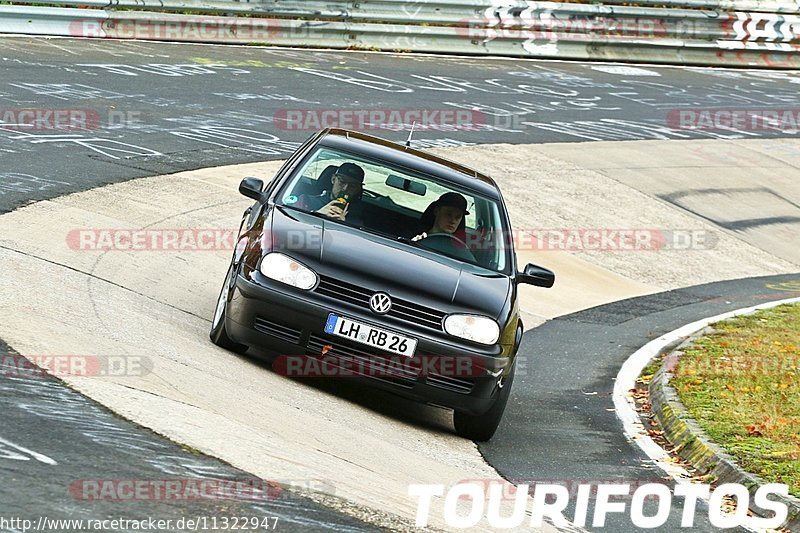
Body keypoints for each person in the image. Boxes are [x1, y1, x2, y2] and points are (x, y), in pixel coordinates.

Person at [414, 192, 475, 261]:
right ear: (436, 211)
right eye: (448, 214)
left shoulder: (463, 251)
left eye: (457, 217)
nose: (453, 221)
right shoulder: (415, 238)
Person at [298, 162, 365, 225]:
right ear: (333, 179)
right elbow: (292, 222)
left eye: (352, 186)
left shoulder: (356, 216)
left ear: (357, 189)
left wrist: (344, 224)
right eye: (342, 182)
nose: (345, 188)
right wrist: (317, 214)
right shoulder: (306, 200)